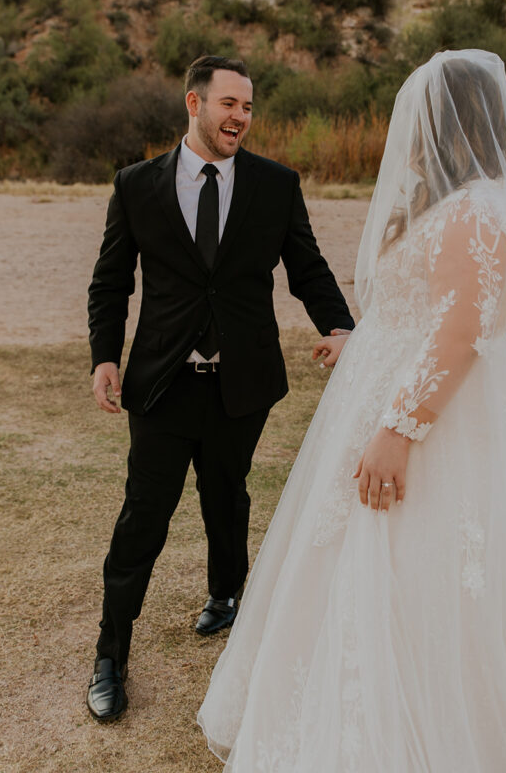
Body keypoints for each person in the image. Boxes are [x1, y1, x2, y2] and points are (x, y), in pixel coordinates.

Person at [198, 49, 506, 771]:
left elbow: (459, 335)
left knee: (424, 560)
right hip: (387, 391)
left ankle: (444, 725)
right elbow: (417, 313)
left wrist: (398, 430)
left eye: (422, 118)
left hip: (435, 420)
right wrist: (359, 347)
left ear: (451, 121)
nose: (412, 134)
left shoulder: (478, 212)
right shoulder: (451, 204)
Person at [85, 55, 354, 722]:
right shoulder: (136, 184)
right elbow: (110, 281)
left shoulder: (274, 184)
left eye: (248, 107)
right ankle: (110, 658)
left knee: (227, 494)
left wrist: (344, 328)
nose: (240, 117)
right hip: (161, 382)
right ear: (194, 103)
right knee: (143, 517)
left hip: (243, 380)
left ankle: (225, 596)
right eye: (229, 103)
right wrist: (103, 357)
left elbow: (308, 269)